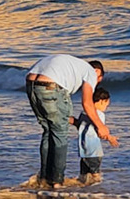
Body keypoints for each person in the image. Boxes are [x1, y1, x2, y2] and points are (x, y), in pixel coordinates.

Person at [23, 53, 116, 189]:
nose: (96, 84)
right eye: (98, 80)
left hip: (31, 84)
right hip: (52, 85)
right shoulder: (90, 72)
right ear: (98, 73)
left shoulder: (76, 65)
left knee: (49, 130)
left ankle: (44, 178)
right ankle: (56, 181)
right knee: (60, 133)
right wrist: (100, 126)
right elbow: (87, 103)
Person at [75, 83, 112, 183]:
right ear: (102, 101)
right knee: (95, 174)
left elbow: (78, 125)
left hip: (83, 149)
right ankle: (96, 190)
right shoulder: (99, 114)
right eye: (106, 105)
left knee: (83, 174)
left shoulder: (84, 113)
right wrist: (110, 138)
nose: (105, 108)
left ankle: (84, 192)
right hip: (94, 149)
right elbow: (100, 131)